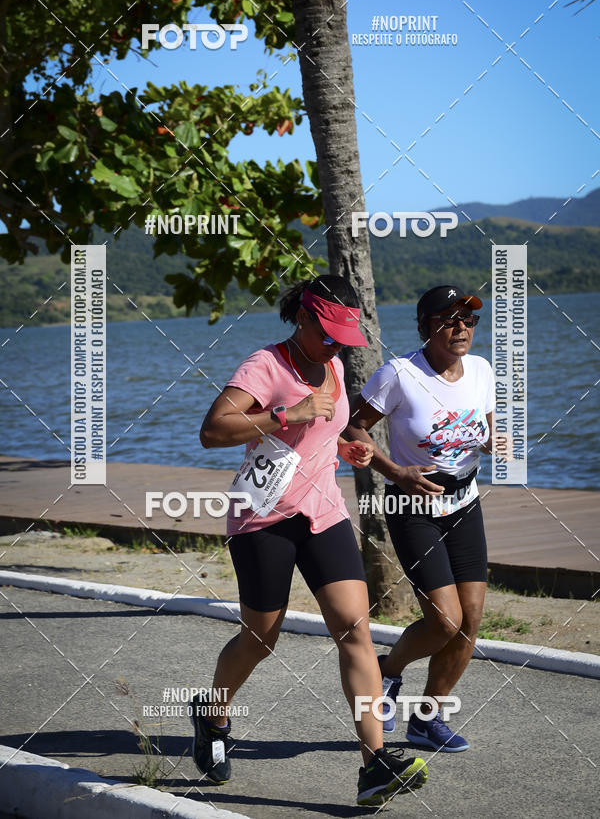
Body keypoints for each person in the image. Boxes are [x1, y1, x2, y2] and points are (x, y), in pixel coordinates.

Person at [193, 274, 429, 806]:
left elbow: (337, 430)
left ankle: (373, 764)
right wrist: (287, 413)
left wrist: (353, 448)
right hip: (262, 519)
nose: (335, 346)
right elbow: (213, 430)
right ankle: (212, 715)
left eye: (342, 338)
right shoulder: (266, 366)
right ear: (302, 319)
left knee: (355, 631)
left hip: (323, 514)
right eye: (327, 334)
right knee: (260, 638)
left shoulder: (336, 366)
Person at [347, 285, 496, 753]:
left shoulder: (481, 369)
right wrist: (393, 470)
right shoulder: (399, 374)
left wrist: (491, 440)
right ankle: (388, 674)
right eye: (450, 320)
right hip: (414, 507)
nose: (462, 329)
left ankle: (427, 718)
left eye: (469, 321)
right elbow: (353, 427)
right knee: (444, 620)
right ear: (425, 325)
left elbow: (484, 421)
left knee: (470, 620)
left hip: (465, 502)